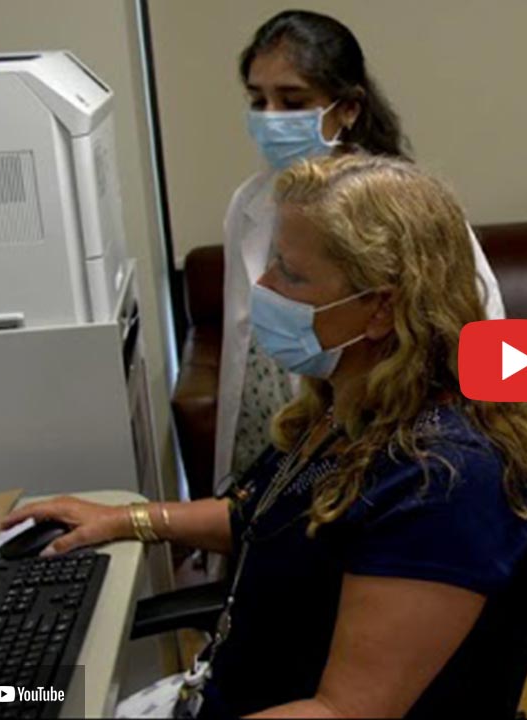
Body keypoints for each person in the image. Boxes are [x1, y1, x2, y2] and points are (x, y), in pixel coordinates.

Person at [6, 155, 527, 718]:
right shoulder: (349, 409)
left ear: (380, 309)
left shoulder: (440, 480)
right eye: (272, 263)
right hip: (219, 688)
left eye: (291, 274)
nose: (263, 286)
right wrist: (130, 519)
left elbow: (345, 712)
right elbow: (265, 518)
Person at [216, 10, 505, 486]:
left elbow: (491, 341)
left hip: (379, 460)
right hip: (277, 447)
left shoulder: (404, 212)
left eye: (292, 102)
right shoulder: (249, 204)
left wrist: (488, 460)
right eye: (257, 100)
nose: (270, 120)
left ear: (348, 108)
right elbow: (243, 353)